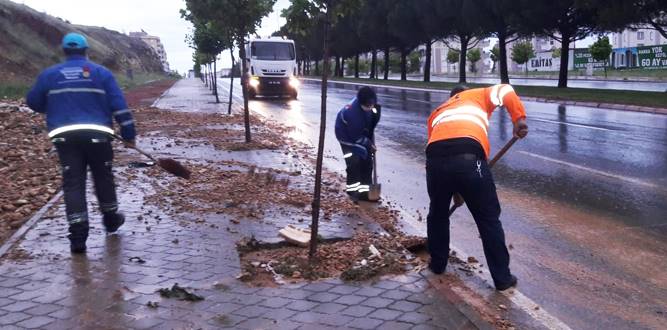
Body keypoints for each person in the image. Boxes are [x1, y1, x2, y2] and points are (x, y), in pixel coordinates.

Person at [26, 32, 136, 253]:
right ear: (87, 51)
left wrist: (55, 106)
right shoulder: (100, 73)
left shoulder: (50, 75)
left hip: (65, 136)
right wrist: (128, 132)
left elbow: (33, 102)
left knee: (73, 181)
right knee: (103, 176)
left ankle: (78, 237)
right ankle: (111, 219)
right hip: (98, 136)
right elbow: (119, 104)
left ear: (65, 51)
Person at [425, 84, 528, 291]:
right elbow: (506, 90)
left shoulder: (438, 111)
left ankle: (437, 265)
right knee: (488, 219)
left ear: (450, 97)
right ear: (465, 92)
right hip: (471, 160)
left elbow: (443, 148)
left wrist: (456, 190)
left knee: (437, 215)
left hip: (435, 163)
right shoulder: (478, 94)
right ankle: (502, 278)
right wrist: (518, 119)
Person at [334, 86, 381, 202]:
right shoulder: (352, 114)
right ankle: (353, 192)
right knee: (354, 163)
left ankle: (365, 193)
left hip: (360, 133)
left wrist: (369, 138)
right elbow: (355, 137)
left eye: (372, 105)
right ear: (361, 104)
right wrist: (369, 144)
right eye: (368, 106)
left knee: (367, 162)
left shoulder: (370, 105)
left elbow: (370, 123)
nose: (371, 108)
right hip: (346, 138)